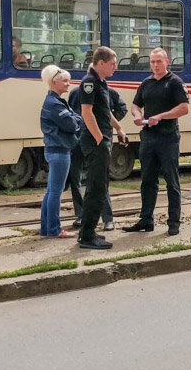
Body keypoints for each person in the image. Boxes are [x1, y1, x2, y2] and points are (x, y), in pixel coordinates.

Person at [124, 47, 190, 236]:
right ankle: (146, 220)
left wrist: (161, 116)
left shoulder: (175, 82)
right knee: (147, 180)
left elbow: (184, 108)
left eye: (158, 61)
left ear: (166, 62)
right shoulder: (146, 83)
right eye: (152, 62)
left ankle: (174, 222)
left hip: (168, 138)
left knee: (171, 181)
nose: (155, 65)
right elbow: (136, 105)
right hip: (149, 137)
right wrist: (137, 115)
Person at [68, 53, 128, 231]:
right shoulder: (89, 82)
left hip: (102, 140)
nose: (115, 67)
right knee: (95, 187)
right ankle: (87, 232)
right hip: (96, 141)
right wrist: (99, 138)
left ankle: (92, 229)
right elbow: (87, 112)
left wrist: (118, 128)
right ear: (101, 63)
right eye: (112, 64)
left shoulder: (102, 83)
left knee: (100, 185)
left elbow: (105, 111)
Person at [38, 64, 82, 239]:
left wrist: (74, 119)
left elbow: (73, 120)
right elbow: (72, 124)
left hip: (55, 149)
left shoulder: (54, 102)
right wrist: (76, 120)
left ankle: (46, 228)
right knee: (55, 192)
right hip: (60, 150)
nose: (68, 84)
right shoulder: (54, 104)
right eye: (64, 81)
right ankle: (55, 229)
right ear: (54, 82)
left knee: (51, 191)